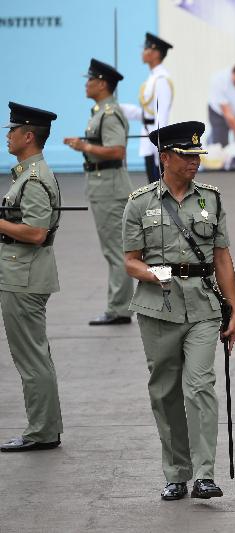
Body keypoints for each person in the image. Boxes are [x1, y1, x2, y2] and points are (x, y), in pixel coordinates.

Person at [122, 121, 235, 500]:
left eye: (197, 156)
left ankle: (205, 474)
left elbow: (222, 257)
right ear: (165, 157)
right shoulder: (140, 202)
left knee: (200, 386)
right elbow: (130, 261)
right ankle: (176, 473)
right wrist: (157, 274)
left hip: (204, 306)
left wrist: (233, 309)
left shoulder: (211, 198)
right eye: (187, 156)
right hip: (159, 308)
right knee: (165, 391)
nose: (194, 163)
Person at [0, 102, 63, 452]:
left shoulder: (35, 178)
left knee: (31, 357)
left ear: (28, 135)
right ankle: (45, 426)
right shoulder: (29, 173)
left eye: (11, 130)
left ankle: (41, 430)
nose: (7, 136)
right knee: (35, 354)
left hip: (23, 276)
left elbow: (36, 232)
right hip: (23, 272)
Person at [64, 59, 134, 325]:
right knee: (114, 249)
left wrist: (85, 147)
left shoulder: (108, 114)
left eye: (90, 80)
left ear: (102, 83)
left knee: (116, 250)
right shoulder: (100, 111)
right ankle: (119, 306)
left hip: (109, 187)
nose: (86, 84)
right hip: (103, 184)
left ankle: (118, 309)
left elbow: (117, 150)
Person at [120, 32, 174, 184]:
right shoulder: (153, 77)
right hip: (147, 134)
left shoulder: (162, 79)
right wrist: (120, 108)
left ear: (155, 53)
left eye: (145, 49)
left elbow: (161, 114)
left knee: (160, 183)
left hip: (155, 138)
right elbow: (146, 112)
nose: (142, 53)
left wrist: (160, 144)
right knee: (152, 182)